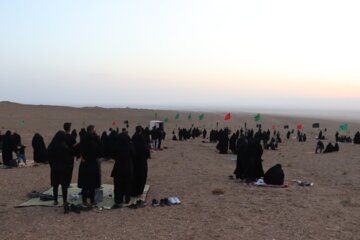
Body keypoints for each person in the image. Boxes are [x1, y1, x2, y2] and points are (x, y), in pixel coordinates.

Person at [47, 131, 73, 213]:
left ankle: (55, 200)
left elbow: (48, 156)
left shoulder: (52, 145)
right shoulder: (64, 146)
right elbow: (68, 159)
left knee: (55, 185)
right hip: (63, 169)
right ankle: (65, 201)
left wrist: (52, 165)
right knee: (64, 186)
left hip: (54, 168)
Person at [78, 125, 102, 206]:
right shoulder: (94, 143)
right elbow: (100, 153)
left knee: (85, 184)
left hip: (84, 164)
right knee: (92, 183)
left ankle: (84, 200)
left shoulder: (83, 141)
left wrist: (81, 156)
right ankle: (92, 200)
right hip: (92, 164)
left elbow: (77, 150)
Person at [111, 132, 134, 206]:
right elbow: (133, 154)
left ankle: (118, 199)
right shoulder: (130, 145)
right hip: (127, 167)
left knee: (118, 184)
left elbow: (113, 155)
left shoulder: (116, 146)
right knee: (128, 184)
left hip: (118, 166)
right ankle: (127, 199)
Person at [131, 126, 150, 197]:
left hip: (134, 161)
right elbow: (146, 150)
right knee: (142, 176)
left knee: (134, 176)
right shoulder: (143, 138)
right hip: (142, 161)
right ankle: (139, 192)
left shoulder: (133, 137)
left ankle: (134, 191)